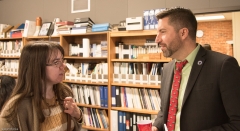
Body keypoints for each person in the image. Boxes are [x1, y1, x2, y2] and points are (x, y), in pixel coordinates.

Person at [152, 7, 240, 131]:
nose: (157, 39)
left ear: (183, 33)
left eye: (163, 31)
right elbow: (165, 110)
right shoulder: (167, 69)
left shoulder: (223, 66)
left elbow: (237, 123)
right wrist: (157, 125)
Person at [0, 41, 82, 131]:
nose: (64, 65)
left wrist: (78, 115)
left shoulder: (64, 92)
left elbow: (74, 126)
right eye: (56, 62)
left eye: (62, 60)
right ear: (37, 68)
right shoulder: (15, 108)